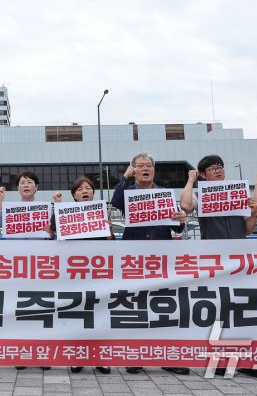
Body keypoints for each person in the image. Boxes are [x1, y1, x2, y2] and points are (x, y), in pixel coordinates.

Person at [180, 155, 257, 378]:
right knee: (218, 310)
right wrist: (190, 181)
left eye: (220, 167)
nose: (218, 171)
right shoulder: (201, 195)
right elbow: (186, 206)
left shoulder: (239, 194)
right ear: (203, 174)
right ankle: (218, 360)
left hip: (239, 259)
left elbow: (247, 229)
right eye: (212, 169)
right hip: (215, 260)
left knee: (243, 309)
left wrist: (254, 213)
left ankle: (245, 360)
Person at [110, 153, 188, 376]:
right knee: (136, 306)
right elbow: (115, 202)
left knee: (164, 306)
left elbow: (176, 228)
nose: (145, 169)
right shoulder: (127, 191)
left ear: (154, 170)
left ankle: (168, 357)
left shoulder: (163, 193)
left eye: (149, 166)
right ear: (134, 170)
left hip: (161, 257)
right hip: (134, 255)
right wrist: (124, 177)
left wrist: (180, 221)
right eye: (140, 166)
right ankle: (135, 356)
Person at [0, 170, 54, 371]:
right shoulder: (10, 209)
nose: (26, 185)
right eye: (22, 182)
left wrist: (51, 231)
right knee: (19, 310)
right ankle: (21, 353)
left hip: (41, 266)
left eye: (30, 182)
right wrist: (0, 200)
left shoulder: (48, 209)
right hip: (17, 266)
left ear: (36, 187)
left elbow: (57, 235)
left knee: (42, 310)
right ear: (17, 188)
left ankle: (43, 354)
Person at [58, 177, 112, 375]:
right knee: (77, 315)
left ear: (93, 193)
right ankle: (77, 356)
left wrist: (109, 230)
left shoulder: (102, 213)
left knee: (99, 315)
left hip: (97, 273)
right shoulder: (64, 214)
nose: (84, 191)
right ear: (74, 195)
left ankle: (100, 358)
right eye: (80, 189)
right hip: (74, 274)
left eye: (88, 188)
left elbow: (110, 245)